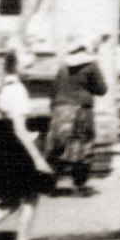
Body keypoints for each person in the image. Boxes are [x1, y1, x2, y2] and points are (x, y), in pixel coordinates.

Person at [0, 43, 54, 240]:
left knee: (12, 197)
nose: (30, 70)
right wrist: (38, 159)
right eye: (26, 66)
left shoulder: (2, 83)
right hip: (14, 146)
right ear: (15, 65)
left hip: (2, 143)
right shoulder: (18, 90)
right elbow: (19, 129)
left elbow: (5, 120)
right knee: (31, 195)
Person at [44, 42, 108, 196]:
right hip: (81, 112)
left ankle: (50, 184)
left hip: (60, 111)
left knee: (58, 148)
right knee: (82, 148)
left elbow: (53, 90)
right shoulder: (91, 66)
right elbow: (102, 89)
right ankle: (80, 184)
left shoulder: (63, 68)